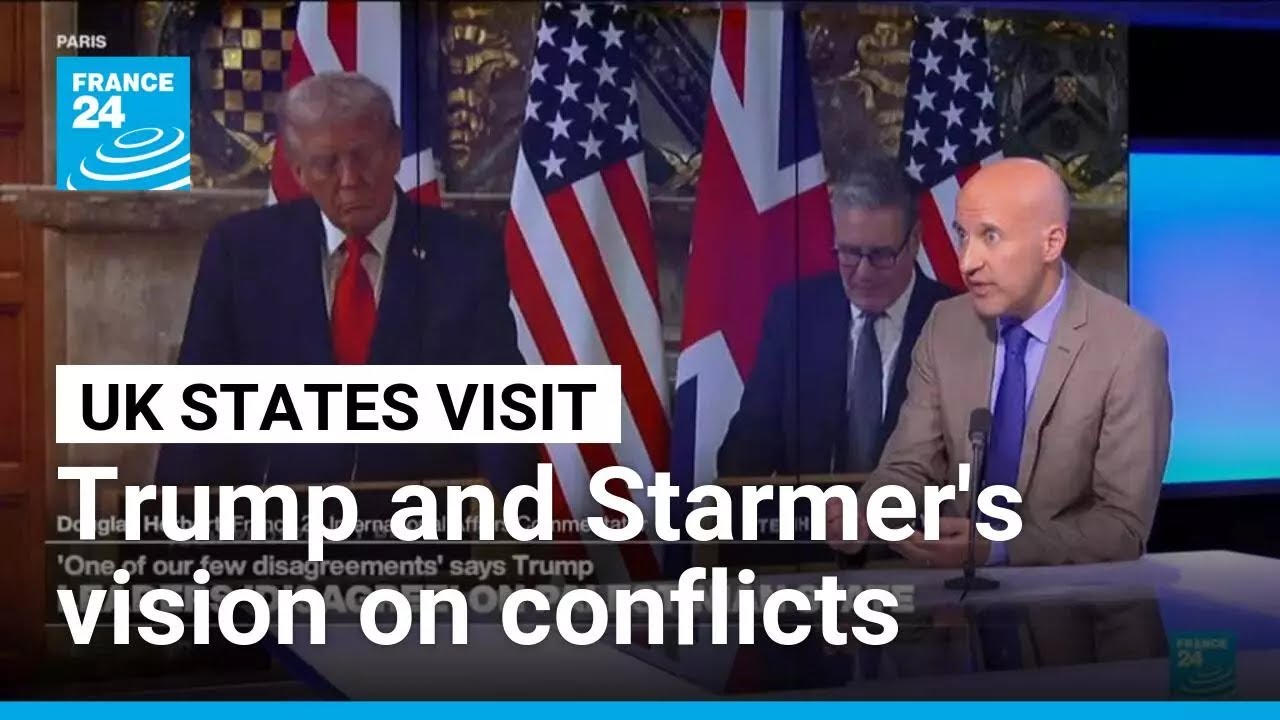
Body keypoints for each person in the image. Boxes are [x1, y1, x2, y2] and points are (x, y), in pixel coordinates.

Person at [154, 71, 536, 490]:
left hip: (420, 515)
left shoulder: (466, 253)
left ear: (395, 150)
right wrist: (173, 523)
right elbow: (198, 411)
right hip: (278, 516)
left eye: (363, 156)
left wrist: (509, 516)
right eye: (327, 164)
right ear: (299, 172)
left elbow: (501, 415)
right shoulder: (241, 251)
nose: (350, 179)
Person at [827, 157, 1172, 566]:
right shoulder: (946, 325)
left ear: (1052, 243)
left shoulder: (1130, 347)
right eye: (962, 235)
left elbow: (1122, 529)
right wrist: (868, 512)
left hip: (1069, 600)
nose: (967, 262)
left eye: (990, 236)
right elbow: (910, 463)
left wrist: (996, 548)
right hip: (952, 597)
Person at [718, 154, 954, 477]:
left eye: (881, 255)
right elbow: (745, 451)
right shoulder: (795, 311)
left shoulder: (955, 321)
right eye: (850, 252)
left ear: (914, 241)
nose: (863, 273)